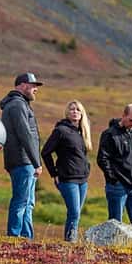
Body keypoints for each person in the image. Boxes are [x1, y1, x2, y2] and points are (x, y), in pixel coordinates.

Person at [0, 72, 43, 239]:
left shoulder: (19, 104)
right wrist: (36, 162)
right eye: (33, 86)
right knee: (21, 201)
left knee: (28, 203)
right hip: (23, 161)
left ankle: (26, 239)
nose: (35, 89)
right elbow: (25, 135)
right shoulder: (17, 105)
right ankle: (14, 237)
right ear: (23, 85)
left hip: (24, 161)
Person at [41, 100, 92, 241]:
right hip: (67, 179)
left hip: (82, 180)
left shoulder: (82, 132)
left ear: (82, 114)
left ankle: (71, 241)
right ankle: (70, 242)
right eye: (72, 109)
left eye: (78, 109)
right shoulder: (61, 131)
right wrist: (54, 173)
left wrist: (87, 169)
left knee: (77, 214)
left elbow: (82, 155)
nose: (75, 111)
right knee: (74, 213)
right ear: (67, 112)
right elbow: (45, 152)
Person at [97, 103, 132, 237]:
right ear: (123, 115)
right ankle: (113, 247)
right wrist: (113, 178)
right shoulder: (110, 135)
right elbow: (102, 159)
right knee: (115, 224)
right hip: (117, 186)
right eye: (131, 120)